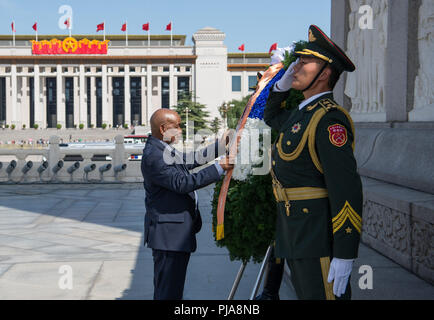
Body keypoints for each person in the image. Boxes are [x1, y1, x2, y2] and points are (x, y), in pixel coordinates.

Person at [262, 25, 363, 300]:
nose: (296, 67)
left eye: (305, 62)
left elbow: (346, 190)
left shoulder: (329, 120)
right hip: (294, 235)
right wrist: (281, 86)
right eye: (297, 61)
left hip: (317, 239)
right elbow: (270, 115)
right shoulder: (301, 114)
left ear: (325, 73)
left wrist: (344, 253)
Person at [141, 109, 233, 300]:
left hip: (174, 234)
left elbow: (190, 160)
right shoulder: (154, 156)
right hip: (168, 237)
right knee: (168, 292)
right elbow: (183, 183)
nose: (181, 130)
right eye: (177, 126)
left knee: (172, 290)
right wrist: (219, 167)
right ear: (163, 128)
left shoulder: (162, 148)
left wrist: (220, 146)